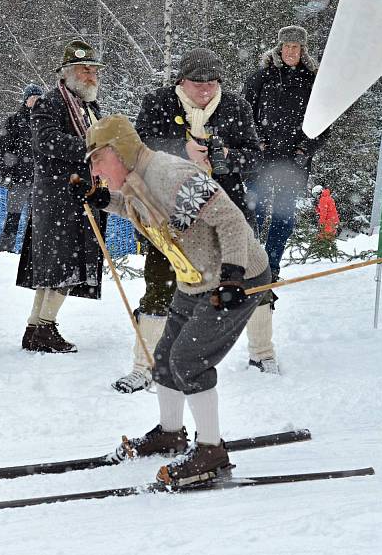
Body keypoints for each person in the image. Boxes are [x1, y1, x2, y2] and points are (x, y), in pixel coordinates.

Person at [77, 114, 271, 486]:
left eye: (97, 160)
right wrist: (106, 200)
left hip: (237, 278)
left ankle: (211, 450)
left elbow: (229, 219)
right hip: (194, 278)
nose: (95, 169)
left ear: (119, 152)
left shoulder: (170, 174)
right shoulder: (137, 179)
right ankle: (170, 433)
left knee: (189, 359)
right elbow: (145, 211)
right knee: (164, 358)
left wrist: (232, 276)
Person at [111, 47, 273, 393]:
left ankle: (263, 353)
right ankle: (143, 366)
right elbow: (140, 150)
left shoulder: (236, 106)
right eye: (198, 83)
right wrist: (180, 151)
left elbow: (256, 157)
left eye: (213, 83)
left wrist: (226, 156)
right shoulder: (158, 103)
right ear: (181, 81)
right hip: (167, 215)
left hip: (225, 214)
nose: (206, 90)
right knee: (159, 288)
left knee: (251, 280)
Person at [15, 40, 105, 353]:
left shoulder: (89, 107)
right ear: (67, 74)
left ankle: (37, 327)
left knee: (57, 268)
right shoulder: (50, 104)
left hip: (80, 196)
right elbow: (47, 142)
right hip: (58, 198)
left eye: (94, 69)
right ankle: (44, 328)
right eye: (86, 69)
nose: (92, 75)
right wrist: (92, 149)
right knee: (59, 268)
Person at [242, 25, 329, 281]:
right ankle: (251, 264)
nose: (291, 51)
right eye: (287, 46)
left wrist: (305, 149)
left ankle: (272, 267)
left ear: (303, 50)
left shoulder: (314, 82)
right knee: (253, 211)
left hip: (293, 160)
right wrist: (257, 141)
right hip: (261, 157)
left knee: (283, 217)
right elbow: (243, 113)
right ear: (279, 48)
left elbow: (324, 125)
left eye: (296, 47)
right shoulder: (261, 77)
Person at [0, 83, 44, 252]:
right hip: (19, 179)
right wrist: (7, 175)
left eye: (39, 98)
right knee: (13, 216)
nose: (36, 101)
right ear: (26, 100)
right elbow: (5, 151)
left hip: (41, 180)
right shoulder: (14, 121)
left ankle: (32, 252)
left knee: (38, 219)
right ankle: (5, 251)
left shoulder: (47, 122)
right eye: (32, 98)